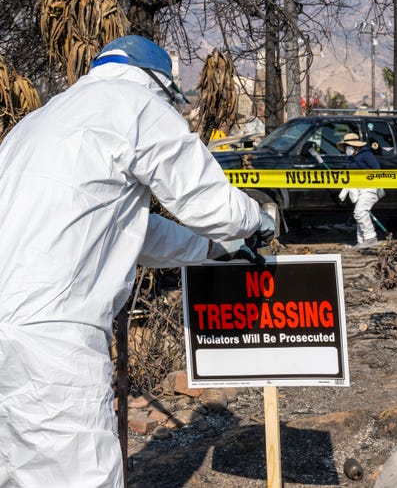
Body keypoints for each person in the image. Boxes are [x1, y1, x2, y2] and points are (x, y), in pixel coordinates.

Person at [0, 35, 274, 487]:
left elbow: (125, 228)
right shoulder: (135, 105)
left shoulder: (40, 122)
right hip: (51, 334)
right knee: (78, 474)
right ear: (157, 83)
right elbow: (210, 204)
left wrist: (207, 249)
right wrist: (254, 219)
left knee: (17, 469)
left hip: (13, 329)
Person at [337, 132, 383, 248]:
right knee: (360, 214)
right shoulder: (352, 158)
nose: (347, 149)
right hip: (359, 189)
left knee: (360, 212)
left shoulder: (365, 154)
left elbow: (376, 168)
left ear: (355, 146)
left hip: (369, 188)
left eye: (348, 146)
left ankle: (370, 238)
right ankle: (362, 241)